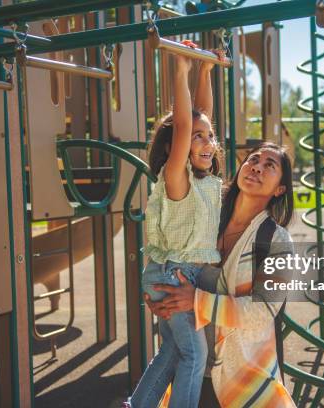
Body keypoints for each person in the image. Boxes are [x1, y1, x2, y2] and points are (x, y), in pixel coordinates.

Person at [147, 142, 297, 407]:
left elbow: (263, 310)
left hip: (244, 379)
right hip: (189, 370)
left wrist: (196, 300)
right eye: (254, 160)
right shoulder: (207, 218)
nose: (257, 168)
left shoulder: (277, 241)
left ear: (280, 189)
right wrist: (160, 293)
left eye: (269, 166)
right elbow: (168, 257)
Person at [125, 45, 225, 408]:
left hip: (175, 274)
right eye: (197, 137)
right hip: (175, 275)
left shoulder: (199, 181)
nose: (208, 142)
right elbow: (185, 123)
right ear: (175, 147)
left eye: (210, 136)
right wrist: (180, 70)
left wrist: (204, 73)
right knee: (195, 356)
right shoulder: (176, 177)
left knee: (172, 353)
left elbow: (200, 115)